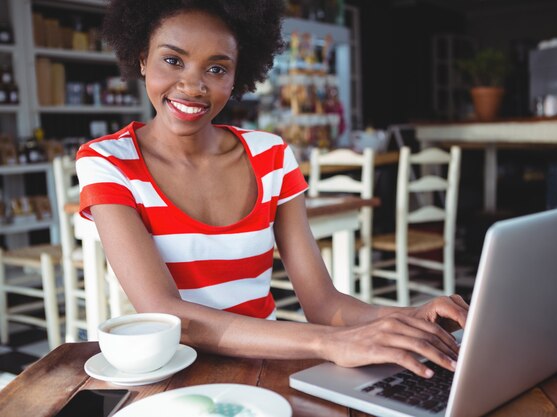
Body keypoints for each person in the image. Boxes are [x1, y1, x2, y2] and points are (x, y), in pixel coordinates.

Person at [77, 0, 469, 379]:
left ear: (237, 75)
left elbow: (323, 303)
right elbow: (170, 315)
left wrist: (406, 317)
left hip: (266, 368)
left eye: (216, 68)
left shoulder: (271, 155)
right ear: (142, 58)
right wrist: (329, 343)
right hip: (174, 378)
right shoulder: (108, 162)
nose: (193, 85)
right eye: (173, 60)